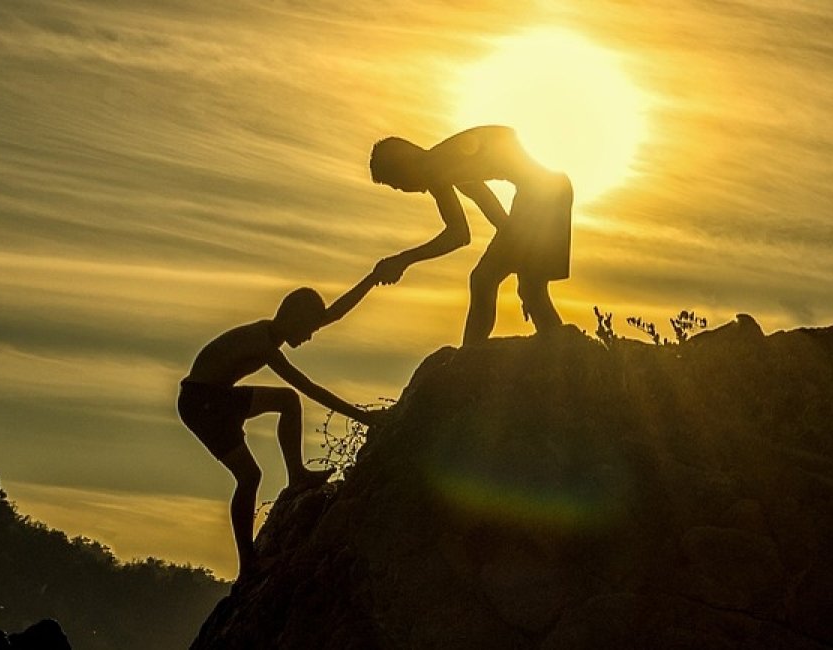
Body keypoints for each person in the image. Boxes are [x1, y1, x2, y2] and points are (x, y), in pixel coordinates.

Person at [177, 272, 384, 579]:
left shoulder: (273, 333)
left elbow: (334, 314)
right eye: (309, 328)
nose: (311, 336)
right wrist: (364, 417)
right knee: (250, 474)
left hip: (213, 397)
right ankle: (249, 563)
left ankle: (296, 475)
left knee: (281, 413)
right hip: (203, 402)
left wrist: (373, 278)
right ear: (294, 317)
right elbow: (308, 387)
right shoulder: (262, 343)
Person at [368, 125, 574, 346]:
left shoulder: (434, 168)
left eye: (397, 184)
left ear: (404, 167)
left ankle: (470, 357)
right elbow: (489, 206)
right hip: (552, 190)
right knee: (531, 290)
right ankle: (560, 354)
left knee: (484, 280)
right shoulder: (444, 161)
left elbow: (458, 234)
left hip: (541, 197)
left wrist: (403, 260)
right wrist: (521, 262)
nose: (403, 189)